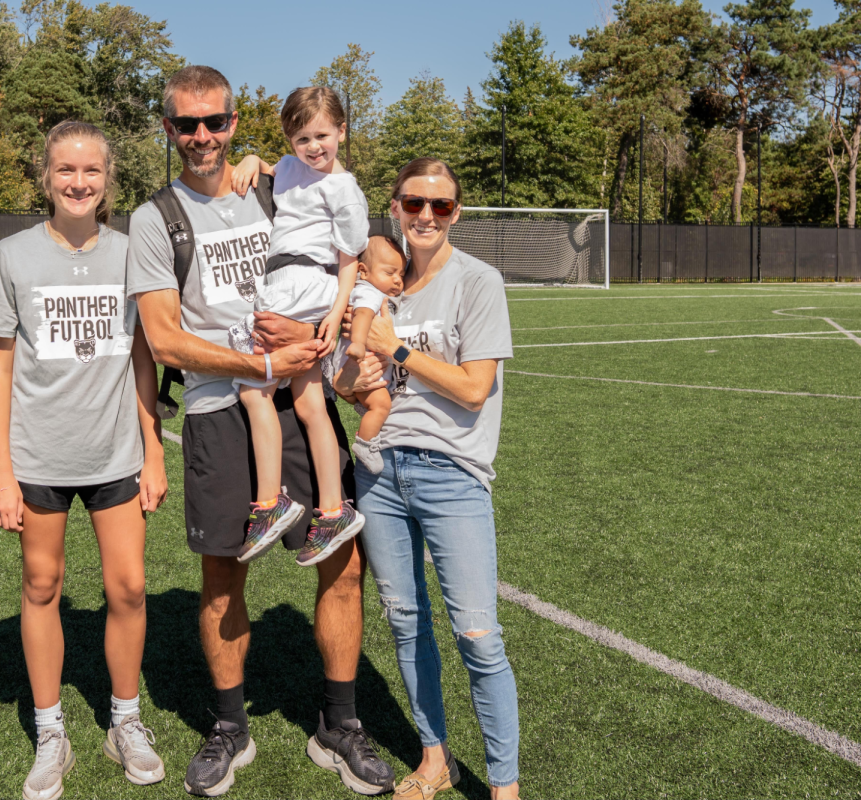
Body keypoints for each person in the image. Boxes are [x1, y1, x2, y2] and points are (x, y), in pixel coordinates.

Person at [127, 65, 395, 797]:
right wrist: (258, 358)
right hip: (222, 408)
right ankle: (229, 726)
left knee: (343, 559)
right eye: (188, 125)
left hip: (297, 393)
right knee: (223, 573)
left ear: (236, 123)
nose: (203, 136)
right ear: (169, 130)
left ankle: (339, 723)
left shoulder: (275, 183)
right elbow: (164, 339)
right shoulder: (157, 220)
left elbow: (343, 237)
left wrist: (314, 333)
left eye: (215, 122)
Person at [0, 120, 168, 800]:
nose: (79, 182)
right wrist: (2, 470)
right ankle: (51, 730)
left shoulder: (130, 253)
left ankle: (125, 720)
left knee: (129, 590)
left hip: (116, 453)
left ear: (107, 180)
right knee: (41, 588)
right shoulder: (14, 256)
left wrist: (154, 451)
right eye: (66, 170)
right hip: (39, 460)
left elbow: (145, 359)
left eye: (91, 171)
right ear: (46, 177)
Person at [335, 158, 521, 800]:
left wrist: (400, 351)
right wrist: (353, 380)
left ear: (456, 214)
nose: (426, 216)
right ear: (396, 206)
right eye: (415, 203)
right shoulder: (376, 283)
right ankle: (434, 760)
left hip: (453, 475)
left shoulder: (478, 280)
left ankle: (504, 787)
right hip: (381, 473)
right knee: (406, 621)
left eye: (440, 207)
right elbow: (343, 379)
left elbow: (475, 388)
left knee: (478, 634)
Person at [226, 87, 368, 567]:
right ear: (289, 138)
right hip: (288, 280)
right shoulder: (287, 167)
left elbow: (350, 258)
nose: (314, 147)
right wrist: (250, 158)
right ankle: (331, 510)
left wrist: (336, 310)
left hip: (306, 285)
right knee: (310, 406)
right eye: (302, 137)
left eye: (323, 135)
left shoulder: (344, 189)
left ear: (342, 132)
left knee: (252, 388)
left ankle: (270, 503)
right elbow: (268, 168)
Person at [338, 235, 405, 474]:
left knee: (376, 403)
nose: (398, 280)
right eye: (390, 273)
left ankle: (366, 417)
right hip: (359, 362)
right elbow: (363, 315)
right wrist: (357, 343)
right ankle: (366, 444)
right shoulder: (370, 294)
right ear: (363, 272)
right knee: (381, 405)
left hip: (361, 367)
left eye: (401, 275)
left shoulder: (369, 290)